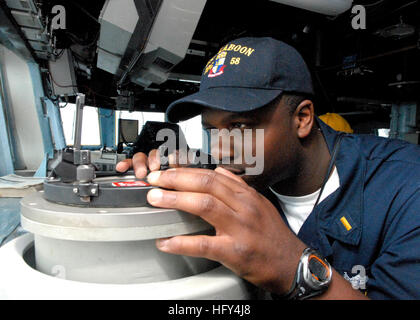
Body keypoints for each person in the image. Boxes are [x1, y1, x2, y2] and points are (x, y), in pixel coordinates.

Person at [116, 37, 420, 300]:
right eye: (212, 130)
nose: (221, 150)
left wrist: (292, 267)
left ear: (302, 118)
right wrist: (147, 181)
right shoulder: (236, 170)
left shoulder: (406, 186)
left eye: (240, 126)